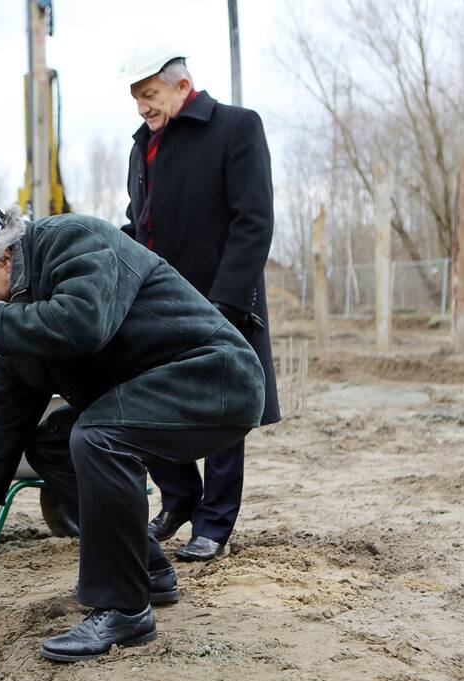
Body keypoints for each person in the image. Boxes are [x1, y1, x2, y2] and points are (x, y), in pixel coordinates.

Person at [0, 193, 265, 662]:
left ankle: (124, 609)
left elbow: (84, 323)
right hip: (156, 390)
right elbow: (5, 418)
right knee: (53, 441)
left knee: (96, 436)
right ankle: (148, 572)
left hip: (216, 378)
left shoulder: (75, 240)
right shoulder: (14, 308)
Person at [119, 43, 279, 561]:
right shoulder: (141, 146)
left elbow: (253, 222)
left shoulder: (235, 127)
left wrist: (226, 303)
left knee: (223, 411)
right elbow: (138, 223)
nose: (143, 106)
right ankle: (180, 497)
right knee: (152, 401)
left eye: (150, 94)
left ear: (182, 86)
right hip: (157, 303)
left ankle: (213, 522)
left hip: (220, 300)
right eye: (136, 98)